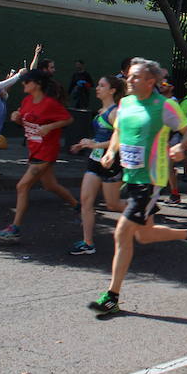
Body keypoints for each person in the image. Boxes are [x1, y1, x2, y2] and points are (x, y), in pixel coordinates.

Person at [87, 58, 187, 316]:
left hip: (150, 180)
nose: (129, 80)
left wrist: (180, 147)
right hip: (131, 176)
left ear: (151, 82)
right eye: (128, 76)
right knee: (144, 235)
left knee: (122, 233)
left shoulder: (164, 106)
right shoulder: (126, 103)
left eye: (135, 77)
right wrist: (111, 152)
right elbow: (118, 130)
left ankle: (112, 296)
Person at [0, 70, 77, 241]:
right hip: (34, 149)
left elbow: (69, 119)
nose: (23, 84)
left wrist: (50, 127)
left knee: (22, 186)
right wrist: (16, 118)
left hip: (46, 151)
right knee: (50, 185)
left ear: (37, 84)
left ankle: (14, 228)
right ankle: (78, 205)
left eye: (26, 82)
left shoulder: (49, 104)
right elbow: (24, 120)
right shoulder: (27, 101)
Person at [68, 76, 128, 254]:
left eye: (102, 86)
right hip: (95, 160)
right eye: (98, 85)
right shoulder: (101, 110)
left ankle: (141, 208)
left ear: (112, 91)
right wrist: (85, 143)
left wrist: (95, 144)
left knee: (113, 204)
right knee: (86, 200)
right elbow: (101, 137)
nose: (97, 88)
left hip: (112, 162)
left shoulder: (115, 112)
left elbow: (121, 139)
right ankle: (88, 243)